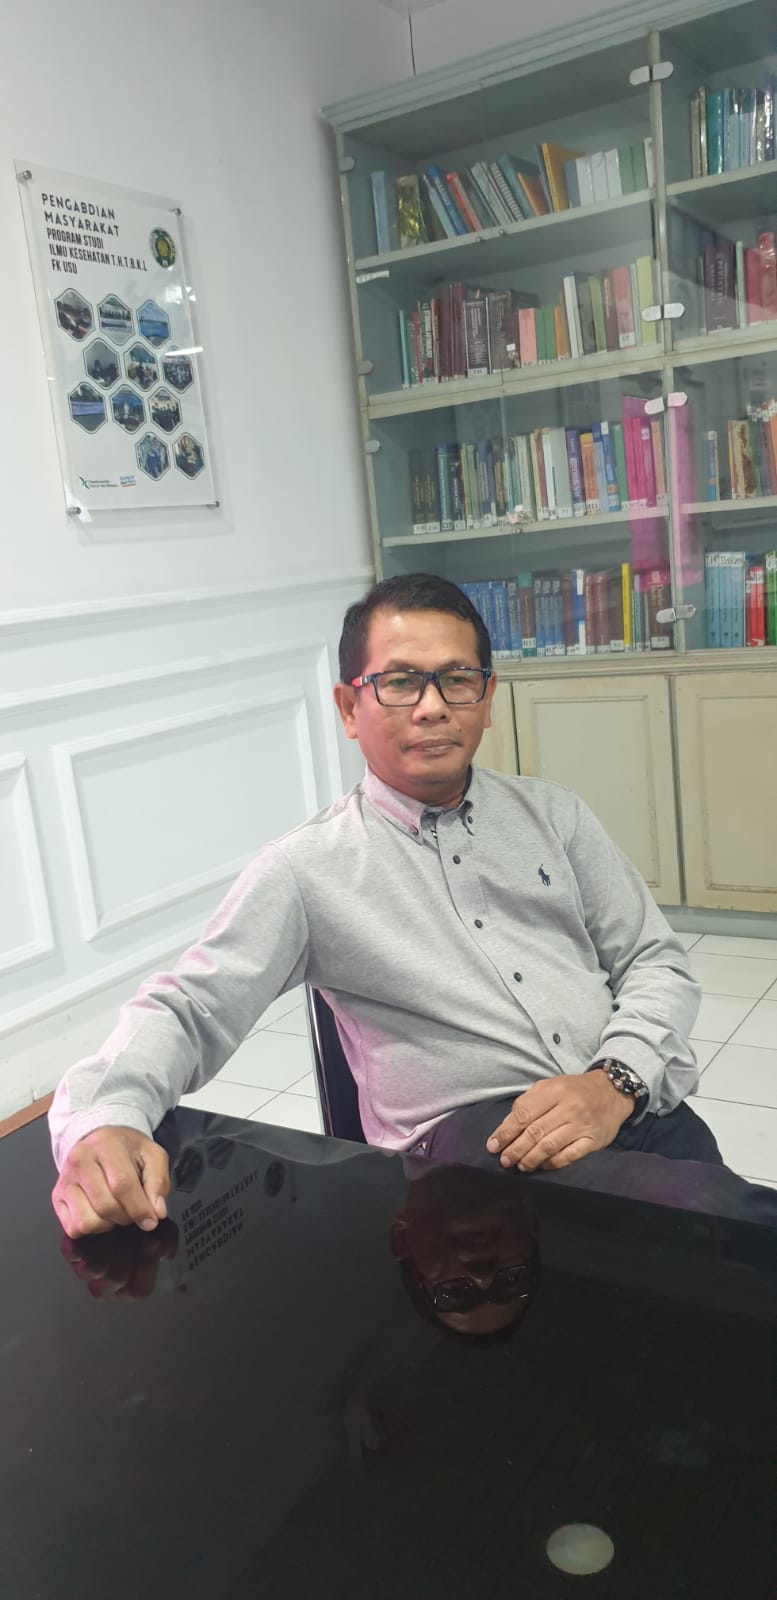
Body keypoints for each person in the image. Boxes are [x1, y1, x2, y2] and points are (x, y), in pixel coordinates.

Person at [50, 572, 713, 1239]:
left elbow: (653, 960)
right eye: (399, 683)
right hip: (479, 1159)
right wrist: (104, 1120)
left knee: (724, 1227)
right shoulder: (308, 869)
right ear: (348, 707)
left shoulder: (554, 815)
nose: (432, 707)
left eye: (457, 679)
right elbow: (192, 1007)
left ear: (486, 699)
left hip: (627, 1098)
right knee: (714, 1236)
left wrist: (615, 1081)